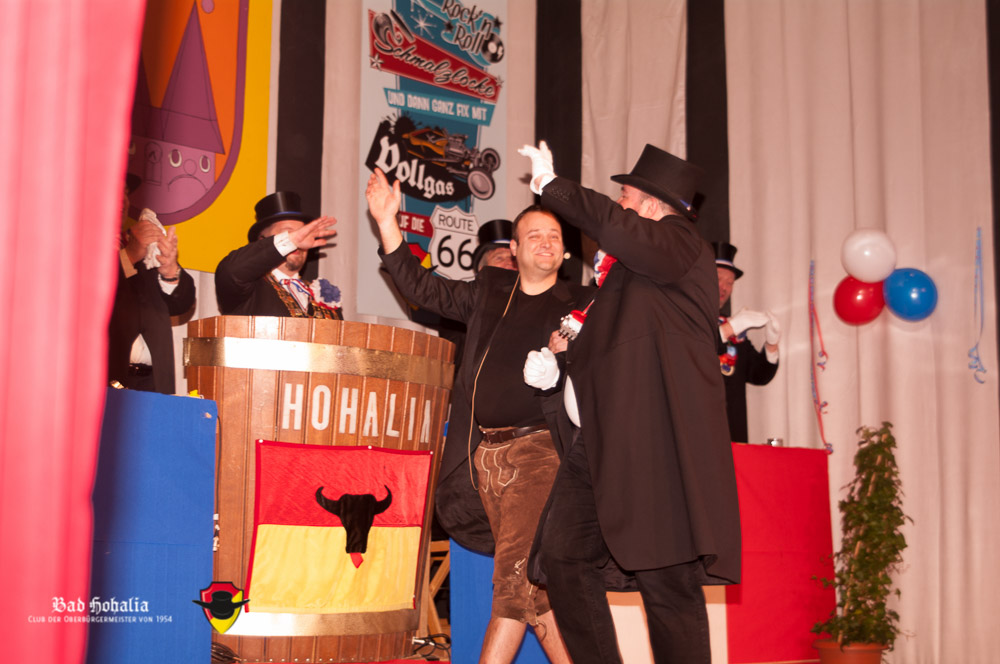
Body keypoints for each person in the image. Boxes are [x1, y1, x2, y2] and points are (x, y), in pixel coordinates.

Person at [518, 141, 742, 663]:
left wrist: (552, 186)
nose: (619, 205)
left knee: (665, 577)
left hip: (653, 439)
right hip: (598, 441)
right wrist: (560, 369)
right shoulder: (633, 272)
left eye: (625, 197)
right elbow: (614, 348)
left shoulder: (681, 244)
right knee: (563, 555)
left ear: (650, 204)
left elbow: (616, 227)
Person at [366, 167, 589, 664]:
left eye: (554, 237)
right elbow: (422, 288)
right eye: (535, 235)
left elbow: (606, 369)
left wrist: (564, 366)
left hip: (541, 451)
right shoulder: (490, 291)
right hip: (484, 456)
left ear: (565, 253)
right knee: (533, 591)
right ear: (515, 248)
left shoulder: (580, 305)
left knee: (511, 584)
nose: (546, 242)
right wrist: (386, 223)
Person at [108, 175, 195, 394]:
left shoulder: (143, 247)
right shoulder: (77, 245)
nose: (123, 199)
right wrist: (128, 257)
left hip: (152, 384)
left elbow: (181, 304)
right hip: (104, 383)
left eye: (126, 193)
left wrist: (169, 270)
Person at [215, 191, 342, 318]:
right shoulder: (247, 288)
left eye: (303, 233)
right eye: (288, 233)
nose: (299, 241)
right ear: (262, 240)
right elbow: (230, 271)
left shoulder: (319, 293)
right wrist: (291, 240)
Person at [714, 241, 780, 443]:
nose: (724, 287)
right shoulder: (685, 320)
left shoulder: (733, 329)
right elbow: (691, 352)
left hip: (733, 437)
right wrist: (728, 329)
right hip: (697, 434)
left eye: (730, 283)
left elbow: (758, 375)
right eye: (718, 279)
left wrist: (771, 344)